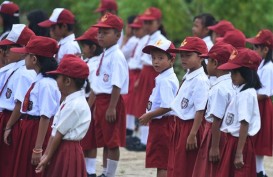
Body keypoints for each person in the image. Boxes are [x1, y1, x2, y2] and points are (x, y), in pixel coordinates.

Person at [4, 36, 60, 177]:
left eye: (27, 55)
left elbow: (45, 116)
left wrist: (38, 148)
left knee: (32, 169)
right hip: (29, 127)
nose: (24, 57)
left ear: (34, 59)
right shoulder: (39, 79)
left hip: (36, 130)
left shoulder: (46, 84)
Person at [35, 54, 91, 177]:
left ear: (67, 81)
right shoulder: (68, 101)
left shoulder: (75, 105)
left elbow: (59, 134)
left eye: (57, 77)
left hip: (67, 150)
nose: (56, 81)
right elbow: (54, 132)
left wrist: (47, 157)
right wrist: (46, 155)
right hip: (61, 147)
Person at [89, 13, 129, 177]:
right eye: (99, 32)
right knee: (105, 140)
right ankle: (105, 171)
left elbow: (117, 83)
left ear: (118, 35)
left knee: (112, 142)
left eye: (105, 32)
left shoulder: (117, 56)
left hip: (111, 100)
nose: (100, 36)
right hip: (101, 100)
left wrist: (112, 107)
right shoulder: (105, 53)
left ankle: (110, 174)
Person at [167, 37, 209, 177]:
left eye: (188, 55)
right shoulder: (189, 75)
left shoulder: (201, 80)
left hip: (190, 126)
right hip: (180, 125)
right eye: (182, 55)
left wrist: (192, 134)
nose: (183, 59)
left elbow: (200, 109)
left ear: (201, 57)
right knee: (176, 163)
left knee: (186, 166)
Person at [192, 43, 236, 177]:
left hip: (215, 134)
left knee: (210, 170)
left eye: (208, 60)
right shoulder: (233, 83)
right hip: (227, 133)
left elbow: (217, 119)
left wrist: (214, 146)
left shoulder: (219, 88)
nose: (206, 64)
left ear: (215, 63)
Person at [216, 48, 262, 177]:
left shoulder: (246, 95)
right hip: (234, 141)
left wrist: (239, 153)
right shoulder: (242, 91)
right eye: (231, 72)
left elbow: (244, 123)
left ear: (247, 73)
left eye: (235, 72)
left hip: (239, 142)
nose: (231, 76)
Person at [139, 39, 179, 177]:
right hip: (159, 124)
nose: (156, 61)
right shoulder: (162, 77)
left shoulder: (166, 81)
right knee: (159, 161)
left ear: (171, 60)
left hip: (163, 125)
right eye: (153, 58)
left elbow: (168, 106)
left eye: (161, 58)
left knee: (163, 162)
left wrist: (149, 115)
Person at [0, 24, 36, 177]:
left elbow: (20, 103)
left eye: (9, 48)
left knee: (9, 160)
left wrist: (8, 126)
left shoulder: (24, 72)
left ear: (23, 50)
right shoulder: (15, 68)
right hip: (6, 116)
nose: (5, 52)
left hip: (13, 119)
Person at [131, 7, 167, 151]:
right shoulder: (148, 38)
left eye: (149, 22)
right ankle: (141, 138)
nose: (146, 25)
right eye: (144, 22)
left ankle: (146, 140)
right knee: (142, 104)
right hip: (146, 72)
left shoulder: (161, 40)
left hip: (154, 73)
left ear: (158, 23)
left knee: (150, 104)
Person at [75, 26, 103, 177]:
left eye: (84, 46)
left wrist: (88, 107)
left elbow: (94, 89)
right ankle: (86, 168)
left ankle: (90, 170)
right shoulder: (88, 60)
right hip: (84, 100)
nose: (82, 49)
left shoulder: (95, 64)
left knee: (90, 137)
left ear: (93, 47)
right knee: (85, 137)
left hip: (89, 101)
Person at [246, 29, 273, 177]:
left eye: (256, 47)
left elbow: (264, 93)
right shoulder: (260, 65)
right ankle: (258, 171)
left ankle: (259, 173)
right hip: (256, 104)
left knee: (259, 143)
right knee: (254, 143)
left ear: (265, 49)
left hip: (261, 106)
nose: (253, 50)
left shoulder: (269, 68)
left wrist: (246, 100)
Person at [124, 16, 148, 139]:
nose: (135, 31)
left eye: (137, 29)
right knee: (131, 102)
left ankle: (135, 132)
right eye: (133, 29)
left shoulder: (145, 40)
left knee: (138, 103)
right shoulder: (137, 40)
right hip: (132, 71)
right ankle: (131, 130)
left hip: (139, 72)